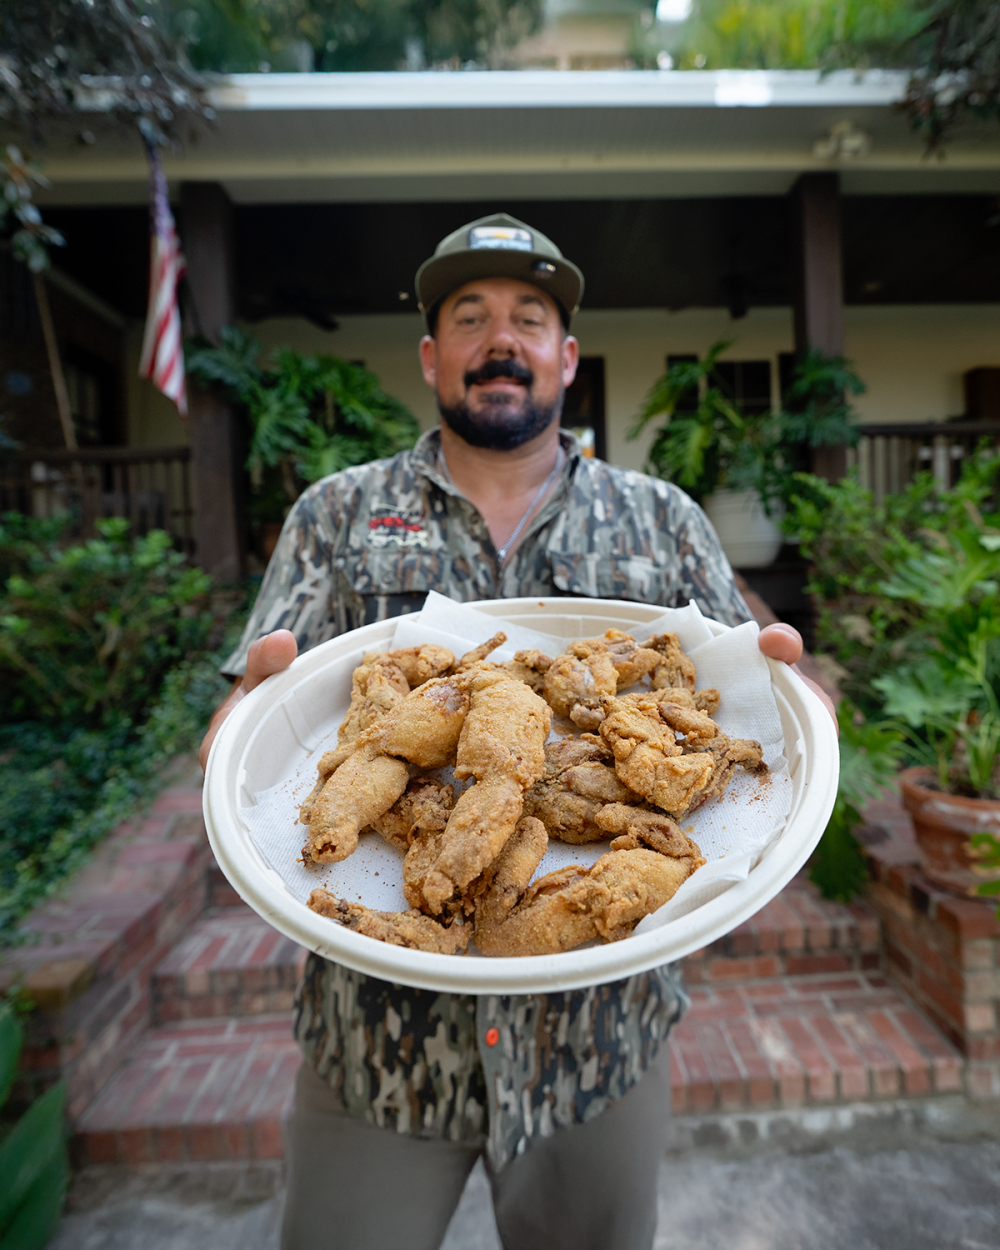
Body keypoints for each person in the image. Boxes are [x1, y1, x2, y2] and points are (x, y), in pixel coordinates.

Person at [200, 213, 829, 1250]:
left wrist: (795, 701)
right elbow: (257, 721)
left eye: (529, 318)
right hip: (376, 1047)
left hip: (598, 1050)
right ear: (430, 353)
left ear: (566, 356)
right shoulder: (337, 512)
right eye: (471, 316)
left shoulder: (661, 518)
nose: (502, 339)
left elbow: (756, 697)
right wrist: (235, 729)